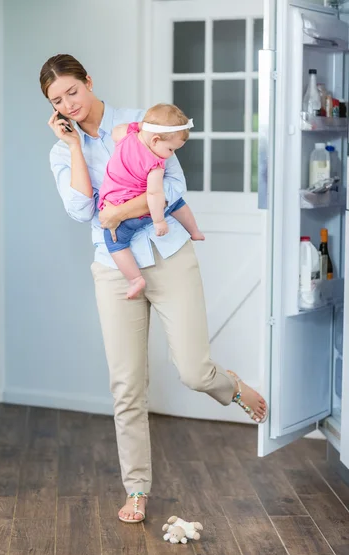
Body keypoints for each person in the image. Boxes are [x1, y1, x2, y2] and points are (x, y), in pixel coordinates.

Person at [40, 53, 268, 524]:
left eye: (72, 91)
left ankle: (230, 386)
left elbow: (174, 188)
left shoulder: (141, 123)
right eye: (57, 101)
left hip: (168, 257)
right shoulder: (62, 150)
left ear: (89, 81)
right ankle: (137, 488)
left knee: (192, 370)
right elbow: (83, 211)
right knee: (126, 385)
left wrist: (120, 213)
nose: (69, 104)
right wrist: (76, 147)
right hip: (115, 268)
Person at [99, 103, 204, 299]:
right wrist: (158, 221)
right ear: (155, 140)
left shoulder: (126, 136)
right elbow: (155, 195)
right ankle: (194, 231)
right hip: (141, 215)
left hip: (116, 209)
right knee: (176, 203)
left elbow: (115, 132)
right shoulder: (154, 163)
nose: (172, 154)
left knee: (114, 243)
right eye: (171, 148)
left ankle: (134, 279)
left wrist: (139, 127)